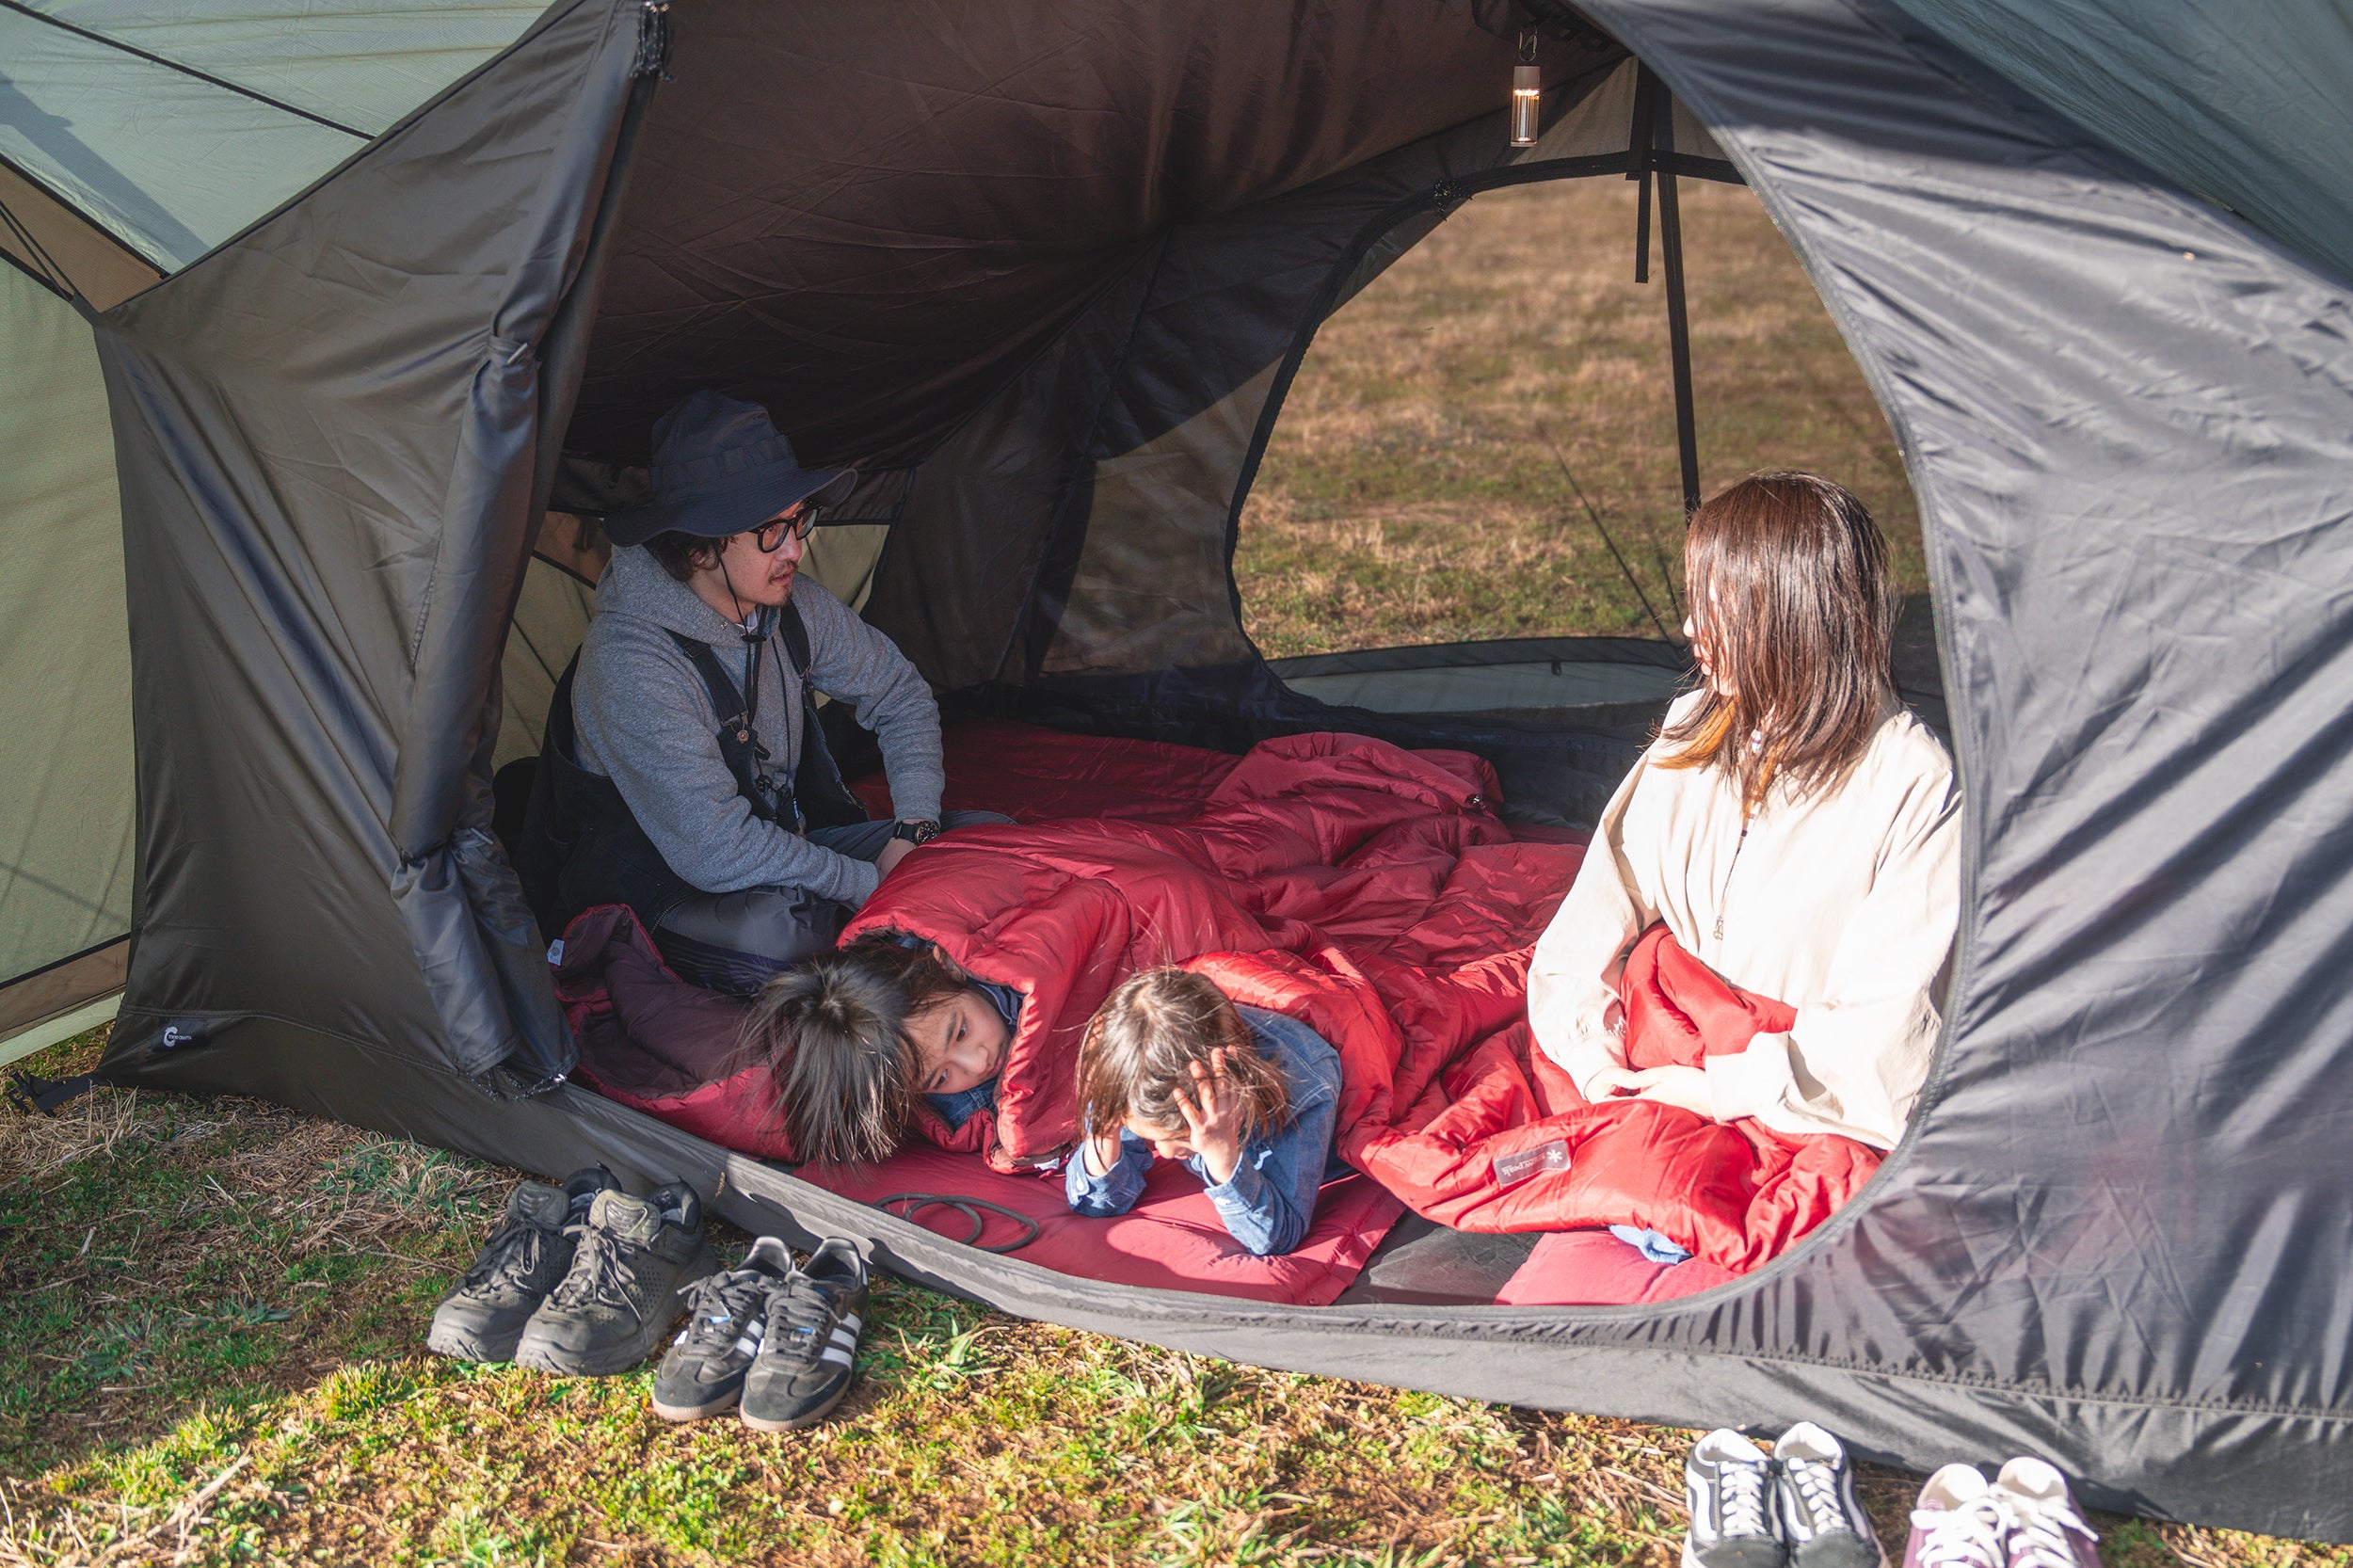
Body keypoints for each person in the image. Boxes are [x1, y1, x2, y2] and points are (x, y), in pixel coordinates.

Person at [515, 392, 1007, 993]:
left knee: (988, 841)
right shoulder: (631, 663)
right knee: (789, 945)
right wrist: (870, 882)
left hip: (784, 844)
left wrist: (914, 832)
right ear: (698, 546)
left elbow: (900, 694)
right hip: (674, 885)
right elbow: (715, 850)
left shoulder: (791, 603)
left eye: (798, 521)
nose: (796, 549)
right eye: (771, 531)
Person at [1527, 471, 1961, 1151]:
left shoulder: (1914, 786)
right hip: (1658, 1060)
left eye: (1716, 606)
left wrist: (1718, 1091)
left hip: (1802, 1109)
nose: (1690, 627)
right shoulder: (1699, 723)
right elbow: (1587, 929)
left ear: (1791, 616)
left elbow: (1888, 1045)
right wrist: (1594, 1062)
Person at [1065, 968, 1350, 1256]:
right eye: (1151, 1138)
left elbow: (1276, 1236)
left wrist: (1221, 1156)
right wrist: (1103, 1134)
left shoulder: (1305, 1090)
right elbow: (1097, 1203)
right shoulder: (1134, 1071)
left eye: (1185, 1138)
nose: (1163, 1152)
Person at [744, 937, 1020, 1164]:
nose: (978, 1063)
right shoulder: (969, 1109)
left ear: (947, 966)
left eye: (961, 1033)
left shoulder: (999, 950)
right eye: (941, 1078)